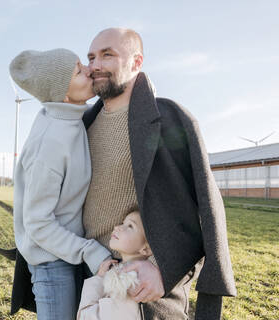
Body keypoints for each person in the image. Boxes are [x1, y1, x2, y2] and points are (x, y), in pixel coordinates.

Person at [80, 27, 237, 319]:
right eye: (90, 57)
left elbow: (202, 210)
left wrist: (161, 267)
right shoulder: (82, 125)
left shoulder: (170, 119)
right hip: (90, 278)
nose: (95, 65)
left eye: (107, 55)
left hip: (145, 287)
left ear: (137, 62)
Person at [9, 48, 111, 320]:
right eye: (78, 71)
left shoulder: (71, 118)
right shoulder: (51, 142)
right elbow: (38, 222)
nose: (89, 70)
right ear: (63, 93)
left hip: (67, 253)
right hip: (51, 262)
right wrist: (90, 251)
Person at [77, 210, 152, 320]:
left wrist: (99, 279)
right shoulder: (124, 277)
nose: (117, 227)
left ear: (146, 249)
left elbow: (85, 317)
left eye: (130, 226)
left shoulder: (127, 283)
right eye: (122, 223)